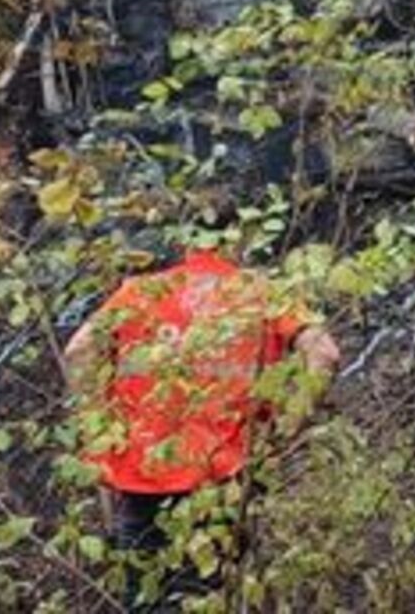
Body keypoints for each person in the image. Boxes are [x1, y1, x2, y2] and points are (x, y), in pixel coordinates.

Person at [63, 244, 340, 610]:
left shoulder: (140, 292)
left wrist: (99, 434)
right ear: (240, 240)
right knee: (215, 596)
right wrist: (286, 428)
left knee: (145, 599)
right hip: (227, 476)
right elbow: (324, 353)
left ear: (185, 242)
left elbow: (78, 351)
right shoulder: (264, 293)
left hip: (142, 474)